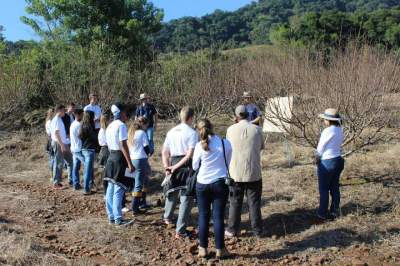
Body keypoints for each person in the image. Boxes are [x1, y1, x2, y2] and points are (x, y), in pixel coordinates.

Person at [192, 119, 232, 259]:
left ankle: (203, 248)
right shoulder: (225, 143)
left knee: (203, 215)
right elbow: (228, 161)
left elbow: (194, 166)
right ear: (212, 127)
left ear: (199, 130)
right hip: (220, 182)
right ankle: (220, 249)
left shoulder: (198, 146)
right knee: (218, 216)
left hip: (202, 183)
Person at [225, 105, 264, 238]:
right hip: (253, 171)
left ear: (236, 116)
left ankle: (232, 229)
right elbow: (261, 147)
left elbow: (228, 148)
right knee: (254, 202)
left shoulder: (230, 130)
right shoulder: (258, 130)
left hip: (235, 173)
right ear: (248, 114)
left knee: (235, 202)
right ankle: (257, 230)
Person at [162, 106, 198, 239]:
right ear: (191, 118)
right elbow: (189, 155)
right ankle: (181, 230)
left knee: (172, 191)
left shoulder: (171, 131)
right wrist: (174, 166)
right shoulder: (192, 133)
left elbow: (165, 152)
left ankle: (167, 218)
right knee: (186, 198)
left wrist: (168, 166)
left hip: (173, 163)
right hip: (185, 166)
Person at [104, 103, 135, 226]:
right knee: (118, 189)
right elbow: (123, 145)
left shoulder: (110, 125)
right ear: (121, 113)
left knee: (110, 189)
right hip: (119, 159)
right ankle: (118, 219)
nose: (126, 114)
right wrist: (129, 163)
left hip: (111, 157)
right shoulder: (121, 125)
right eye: (125, 111)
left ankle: (111, 216)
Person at [315, 108, 345, 220]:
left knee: (323, 189)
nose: (324, 121)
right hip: (338, 160)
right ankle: (334, 211)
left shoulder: (327, 131)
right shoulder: (339, 130)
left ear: (328, 120)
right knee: (334, 187)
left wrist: (317, 159)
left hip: (327, 161)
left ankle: (322, 214)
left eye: (324, 119)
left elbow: (320, 148)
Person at [127, 117, 152, 214]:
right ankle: (135, 208)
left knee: (140, 181)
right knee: (138, 184)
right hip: (140, 159)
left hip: (132, 159)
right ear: (143, 124)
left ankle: (141, 202)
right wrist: (149, 153)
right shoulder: (142, 133)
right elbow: (146, 147)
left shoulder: (130, 133)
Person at [50, 104, 73, 190]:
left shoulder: (59, 119)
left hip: (63, 143)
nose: (65, 112)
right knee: (59, 162)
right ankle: (56, 183)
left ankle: (70, 180)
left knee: (70, 161)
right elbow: (56, 133)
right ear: (59, 110)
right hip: (58, 143)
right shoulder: (56, 120)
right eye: (63, 110)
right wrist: (62, 145)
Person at [79, 110, 98, 195]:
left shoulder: (82, 125)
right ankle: (86, 189)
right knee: (88, 170)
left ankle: (88, 187)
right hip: (89, 149)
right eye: (93, 116)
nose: (94, 118)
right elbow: (94, 137)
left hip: (84, 148)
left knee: (87, 170)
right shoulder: (89, 126)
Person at [70, 108, 84, 190]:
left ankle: (75, 184)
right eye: (82, 114)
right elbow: (80, 136)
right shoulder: (79, 125)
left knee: (75, 167)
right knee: (87, 166)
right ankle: (88, 183)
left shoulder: (72, 124)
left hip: (73, 148)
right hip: (79, 148)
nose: (83, 116)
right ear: (78, 115)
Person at [61, 103, 75, 186]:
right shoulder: (64, 116)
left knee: (70, 158)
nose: (73, 109)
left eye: (74, 108)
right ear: (68, 108)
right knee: (69, 159)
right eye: (71, 108)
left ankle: (70, 176)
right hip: (66, 139)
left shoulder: (73, 116)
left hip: (71, 139)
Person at [98, 114, 110, 195]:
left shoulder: (101, 130)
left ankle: (106, 192)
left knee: (106, 173)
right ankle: (106, 192)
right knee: (107, 173)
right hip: (106, 150)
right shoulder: (105, 130)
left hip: (103, 150)